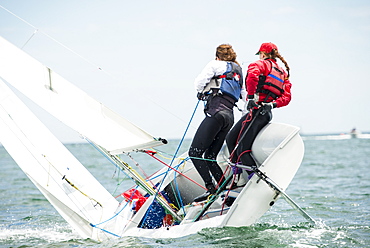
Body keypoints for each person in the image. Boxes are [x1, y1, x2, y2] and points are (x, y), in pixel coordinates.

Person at [226, 42, 292, 183]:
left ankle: (255, 180)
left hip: (257, 112)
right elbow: (286, 98)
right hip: (264, 113)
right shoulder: (283, 73)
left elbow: (252, 76)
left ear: (262, 54)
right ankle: (236, 175)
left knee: (243, 149)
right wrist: (273, 104)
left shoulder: (260, 64)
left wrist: (250, 98)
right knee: (231, 138)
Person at [189, 44, 246, 202]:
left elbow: (198, 84)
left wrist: (203, 91)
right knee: (210, 155)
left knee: (194, 153)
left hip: (216, 113)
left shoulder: (215, 64)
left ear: (217, 56)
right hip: (229, 117)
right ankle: (223, 189)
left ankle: (211, 189)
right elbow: (245, 96)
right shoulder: (239, 70)